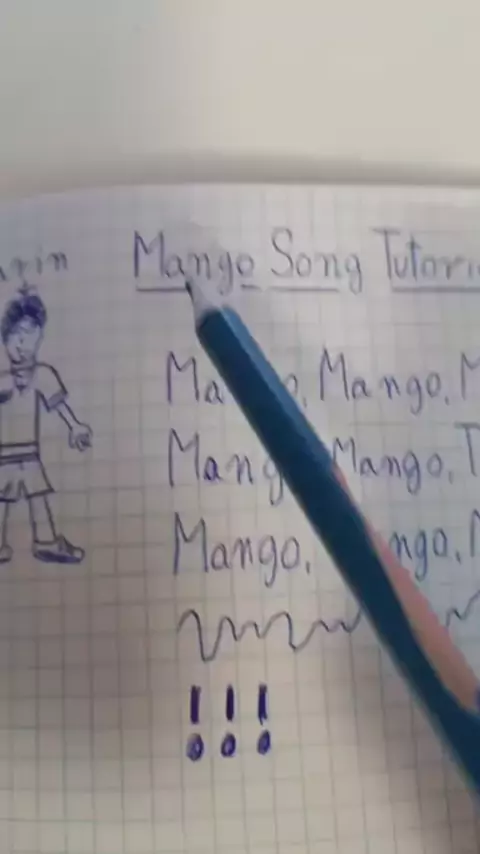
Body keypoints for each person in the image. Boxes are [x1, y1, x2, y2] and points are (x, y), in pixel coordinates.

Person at [0, 287, 92, 563]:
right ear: (5, 337)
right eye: (16, 335)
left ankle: (47, 542)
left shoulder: (43, 375)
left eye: (30, 336)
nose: (22, 344)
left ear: (40, 338)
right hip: (3, 455)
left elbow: (58, 405)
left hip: (29, 454)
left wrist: (75, 426)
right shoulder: (2, 379)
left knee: (38, 495)